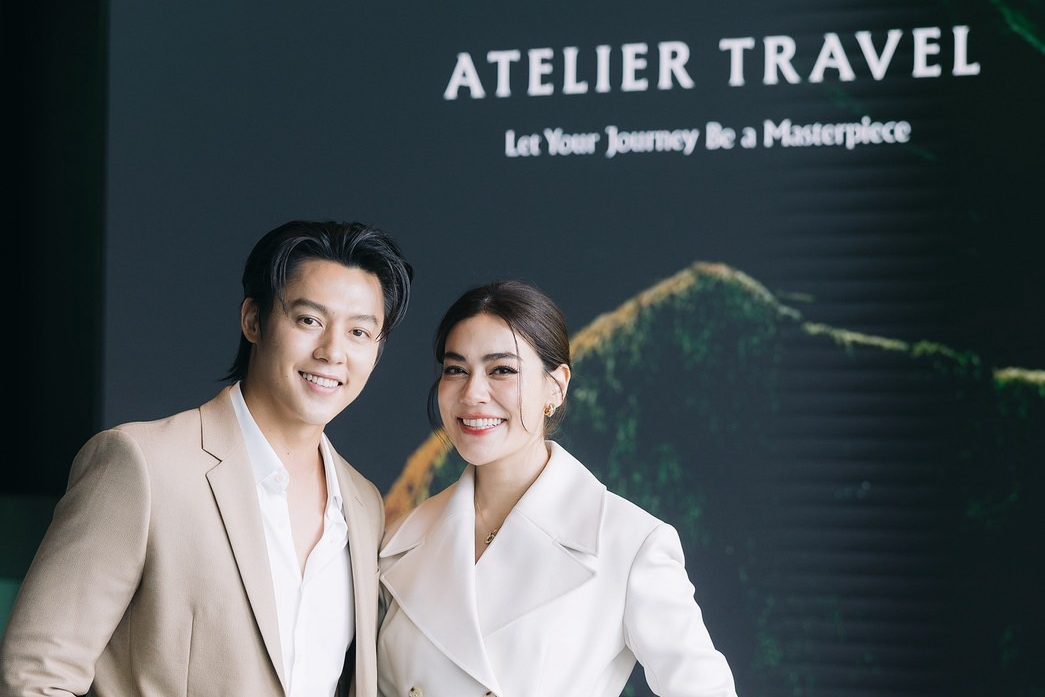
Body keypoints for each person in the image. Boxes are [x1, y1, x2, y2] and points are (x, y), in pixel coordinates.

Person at [1, 220, 413, 697]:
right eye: (309, 320)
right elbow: (35, 675)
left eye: (359, 331)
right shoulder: (143, 465)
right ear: (253, 320)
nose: (332, 352)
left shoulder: (363, 504)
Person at [377, 280, 738, 697]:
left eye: (502, 370)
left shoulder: (628, 542)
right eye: (456, 369)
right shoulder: (401, 539)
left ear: (556, 386)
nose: (472, 393)